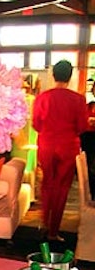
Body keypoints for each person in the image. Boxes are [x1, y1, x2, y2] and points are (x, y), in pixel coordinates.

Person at [33, 60, 88, 241]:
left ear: (53, 75)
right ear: (70, 76)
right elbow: (82, 126)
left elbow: (36, 124)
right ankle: (53, 231)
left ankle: (44, 222)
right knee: (62, 187)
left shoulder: (42, 97)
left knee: (46, 184)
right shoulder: (78, 99)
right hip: (67, 146)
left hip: (47, 145)